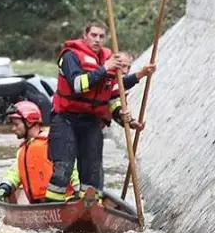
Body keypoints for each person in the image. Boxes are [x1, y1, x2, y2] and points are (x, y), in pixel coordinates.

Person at [45, 20, 156, 202]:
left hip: (91, 122)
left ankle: (87, 208)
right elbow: (78, 85)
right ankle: (51, 206)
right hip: (66, 119)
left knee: (92, 173)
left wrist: (139, 76)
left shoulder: (109, 60)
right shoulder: (70, 56)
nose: (97, 39)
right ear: (85, 35)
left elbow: (113, 92)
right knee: (63, 168)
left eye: (101, 36)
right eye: (94, 35)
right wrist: (105, 68)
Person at [0, 101, 80, 206]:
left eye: (16, 124)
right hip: (37, 205)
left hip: (63, 203)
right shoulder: (23, 150)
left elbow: (71, 168)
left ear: (29, 122)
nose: (13, 128)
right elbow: (14, 174)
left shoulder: (52, 143)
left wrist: (79, 192)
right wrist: (4, 188)